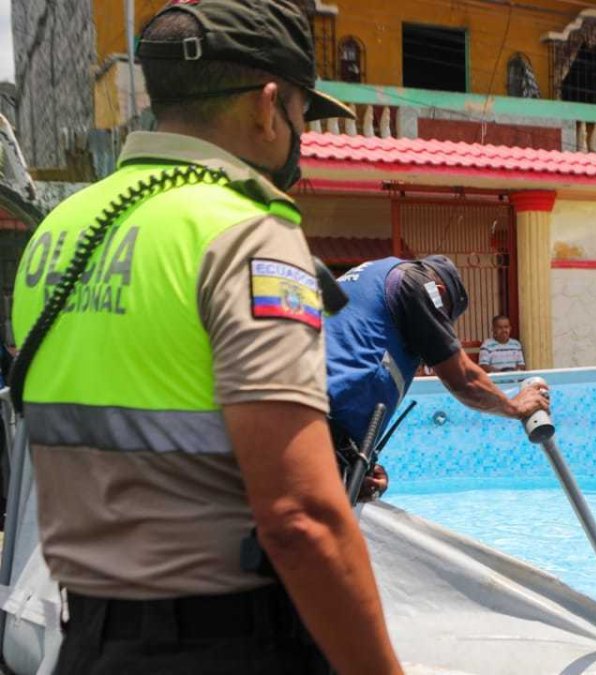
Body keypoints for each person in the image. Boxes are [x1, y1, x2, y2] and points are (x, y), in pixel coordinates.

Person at [10, 2, 403, 673]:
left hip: (84, 638)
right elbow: (299, 517)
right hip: (226, 645)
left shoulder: (58, 232)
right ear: (267, 105)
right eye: (303, 115)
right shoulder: (246, 234)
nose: (301, 135)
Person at [324, 256, 549, 501]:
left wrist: (360, 466)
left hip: (305, 422)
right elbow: (463, 378)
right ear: (439, 292)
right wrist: (514, 406)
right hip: (322, 428)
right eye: (443, 318)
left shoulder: (364, 281)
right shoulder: (415, 281)